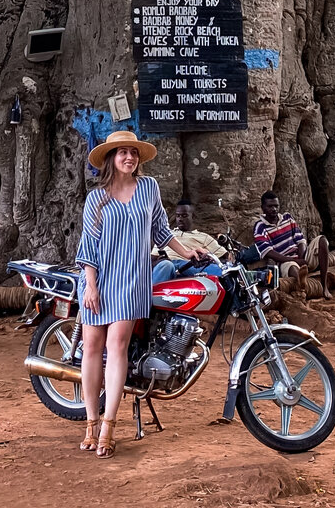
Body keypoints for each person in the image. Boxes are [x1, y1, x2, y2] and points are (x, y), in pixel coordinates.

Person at [76, 130, 205, 459]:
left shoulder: (148, 189)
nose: (129, 158)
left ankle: (108, 426)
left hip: (133, 281)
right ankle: (90, 423)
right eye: (122, 153)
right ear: (111, 158)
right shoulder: (97, 199)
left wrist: (185, 251)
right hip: (99, 280)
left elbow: (162, 230)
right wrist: (90, 285)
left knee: (117, 346)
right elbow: (88, 248)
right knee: (92, 348)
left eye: (133, 153)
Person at [151, 198, 229, 283]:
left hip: (188, 265)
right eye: (178, 216)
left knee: (225, 271)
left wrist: (207, 259)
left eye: (184, 216)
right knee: (166, 265)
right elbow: (152, 259)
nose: (180, 219)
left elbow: (225, 258)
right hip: (166, 263)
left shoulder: (204, 237)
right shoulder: (166, 234)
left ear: (193, 217)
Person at [253, 190, 307, 282]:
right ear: (263, 208)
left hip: (301, 255)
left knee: (322, 241)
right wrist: (294, 261)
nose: (274, 209)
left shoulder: (287, 218)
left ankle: (324, 285)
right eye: (270, 206)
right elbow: (268, 252)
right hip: (284, 262)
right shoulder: (260, 227)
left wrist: (301, 259)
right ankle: (303, 286)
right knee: (293, 268)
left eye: (276, 206)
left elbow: (300, 240)